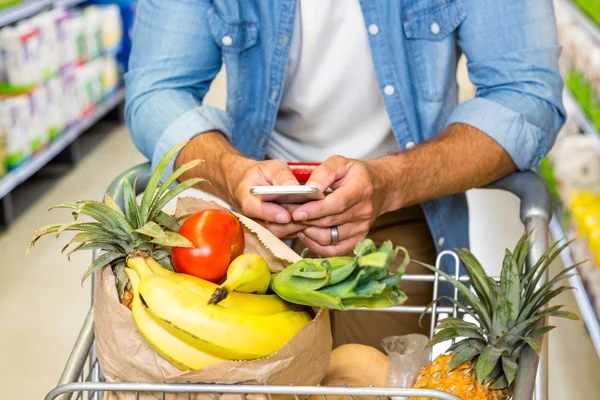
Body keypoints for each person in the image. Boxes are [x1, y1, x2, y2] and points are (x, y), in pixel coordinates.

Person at [125, 0, 565, 351]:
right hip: (249, 210)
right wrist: (229, 170)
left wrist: (392, 182)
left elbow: (526, 94)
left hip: (398, 209)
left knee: (368, 374)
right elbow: (157, 87)